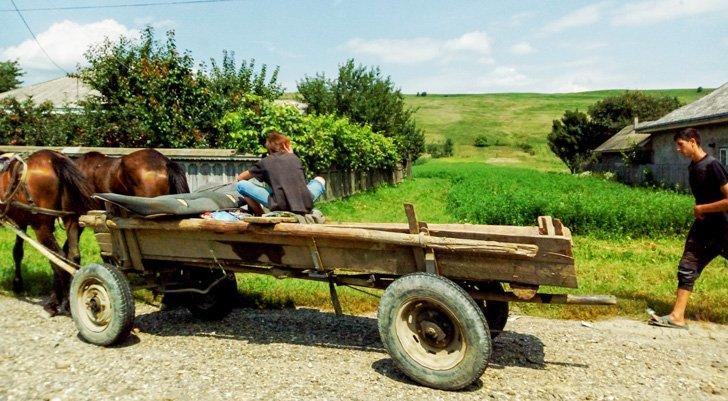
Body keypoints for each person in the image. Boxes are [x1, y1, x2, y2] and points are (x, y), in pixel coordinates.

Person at [650, 128, 728, 329]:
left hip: (723, 228)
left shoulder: (713, 166)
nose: (677, 149)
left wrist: (703, 208)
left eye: (680, 144)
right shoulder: (694, 166)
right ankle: (677, 316)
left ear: (693, 141)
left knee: (689, 266)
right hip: (704, 227)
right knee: (688, 266)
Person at [235, 131, 325, 215]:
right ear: (286, 146)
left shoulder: (265, 162)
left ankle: (260, 214)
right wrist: (291, 155)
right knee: (320, 179)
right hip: (306, 203)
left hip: (281, 205)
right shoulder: (295, 158)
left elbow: (240, 178)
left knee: (241, 185)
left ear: (268, 147)